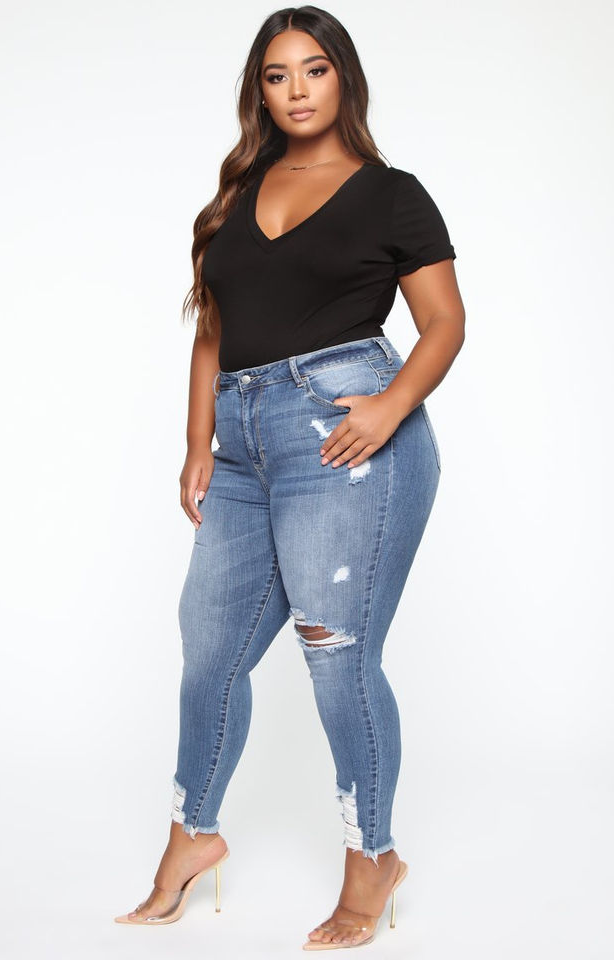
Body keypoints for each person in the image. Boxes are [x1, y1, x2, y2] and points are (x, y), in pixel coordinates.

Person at [114, 4, 465, 950]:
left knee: (334, 649)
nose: (297, 89)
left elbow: (444, 322)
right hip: (240, 443)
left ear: (343, 77)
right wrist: (199, 441)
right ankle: (192, 835)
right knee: (209, 649)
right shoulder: (236, 194)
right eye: (277, 75)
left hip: (341, 431)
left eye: (315, 69)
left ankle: (372, 856)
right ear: (259, 91)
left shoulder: (391, 194)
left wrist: (389, 407)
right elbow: (214, 327)